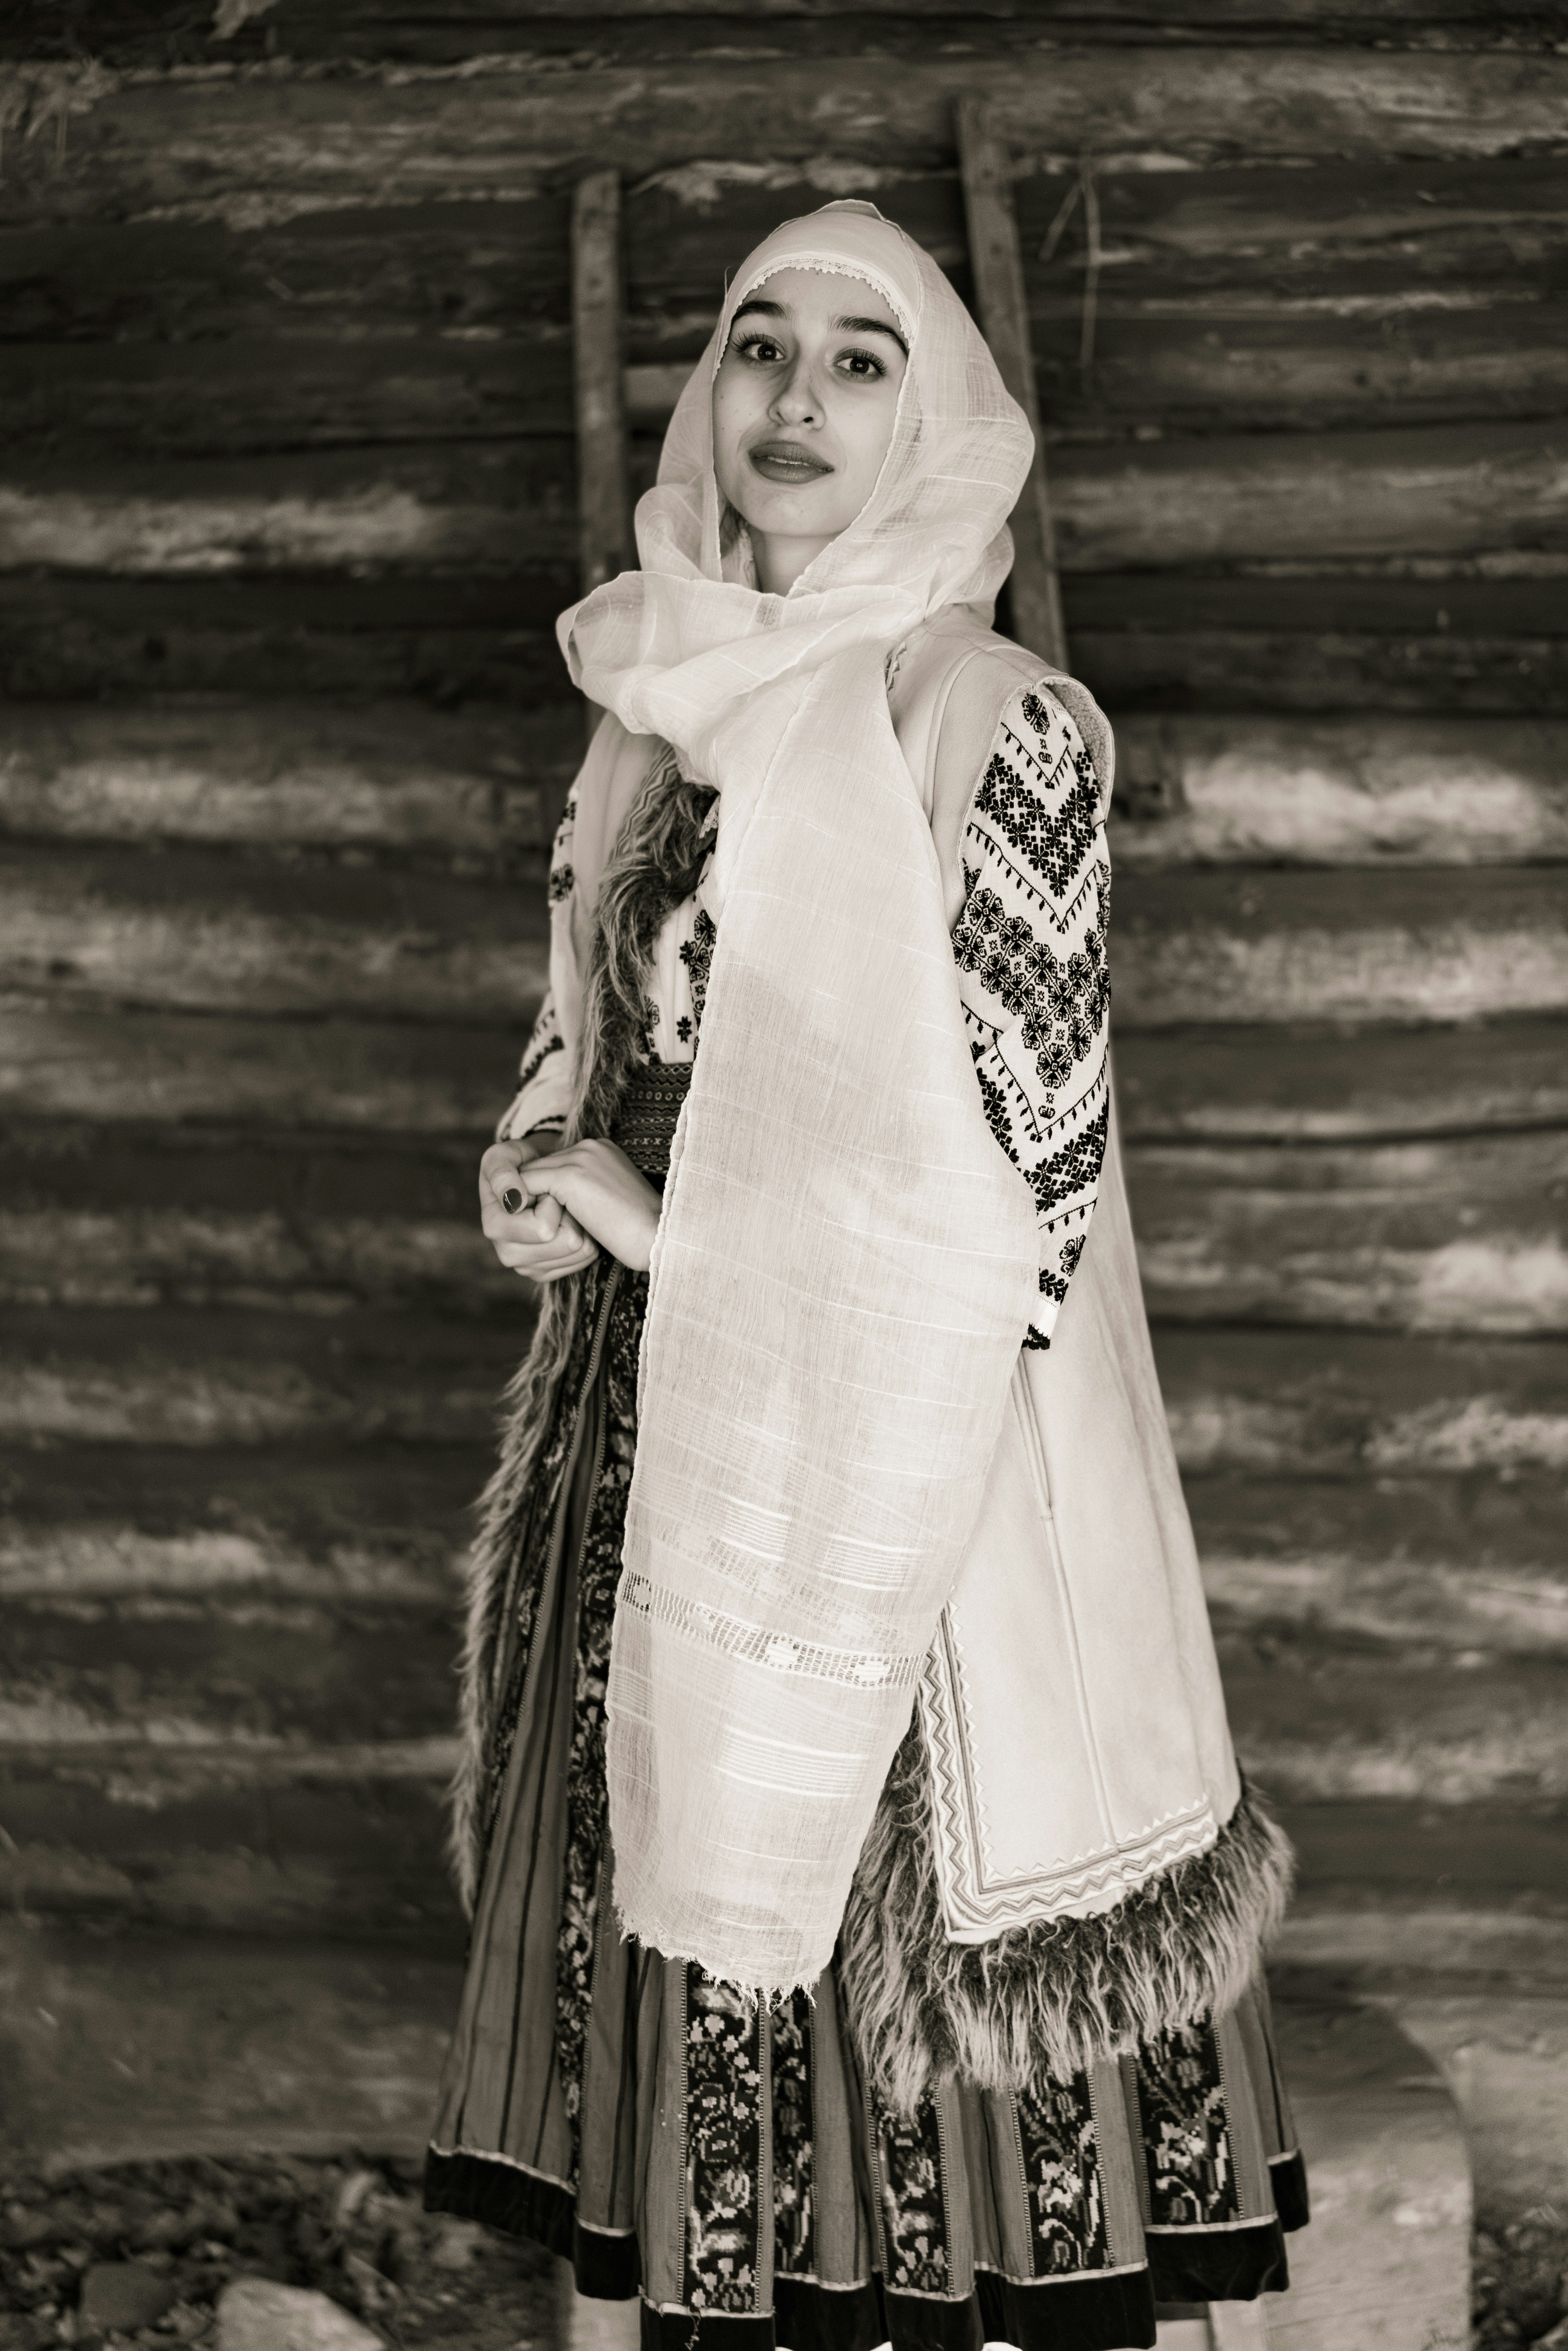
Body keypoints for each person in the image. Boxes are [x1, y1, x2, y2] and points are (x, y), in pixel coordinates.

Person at [423, 202, 1308, 2351]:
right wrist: (534, 1172)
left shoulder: (995, 724)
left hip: (909, 1456)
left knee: (883, 1948)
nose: (796, 400)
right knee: (680, 1879)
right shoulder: (655, 693)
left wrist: (667, 1228)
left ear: (936, 420)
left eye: (860, 358)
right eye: (758, 345)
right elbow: (587, 1018)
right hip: (648, 1425)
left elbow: (1031, 1190)